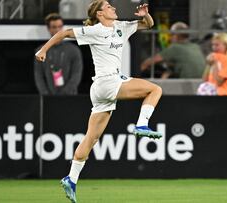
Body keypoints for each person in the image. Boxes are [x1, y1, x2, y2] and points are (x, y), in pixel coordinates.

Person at [35, 1, 162, 202]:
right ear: (100, 13)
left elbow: (149, 25)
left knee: (91, 138)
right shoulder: (94, 30)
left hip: (101, 89)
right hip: (107, 81)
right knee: (155, 89)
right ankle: (142, 124)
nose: (113, 7)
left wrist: (145, 15)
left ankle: (71, 178)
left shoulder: (121, 27)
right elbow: (64, 33)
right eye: (109, 6)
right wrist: (43, 50)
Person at [34, 13, 83, 95]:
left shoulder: (73, 50)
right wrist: (45, 94)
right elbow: (38, 75)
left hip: (69, 97)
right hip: (48, 98)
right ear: (49, 29)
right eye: (54, 27)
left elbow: (76, 75)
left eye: (60, 26)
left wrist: (65, 93)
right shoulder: (40, 51)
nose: (57, 30)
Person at [140, 22, 205, 79]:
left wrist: (138, 70)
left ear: (176, 35)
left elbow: (149, 62)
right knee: (169, 72)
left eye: (171, 35)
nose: (170, 38)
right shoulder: (195, 46)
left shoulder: (175, 48)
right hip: (201, 81)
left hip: (186, 83)